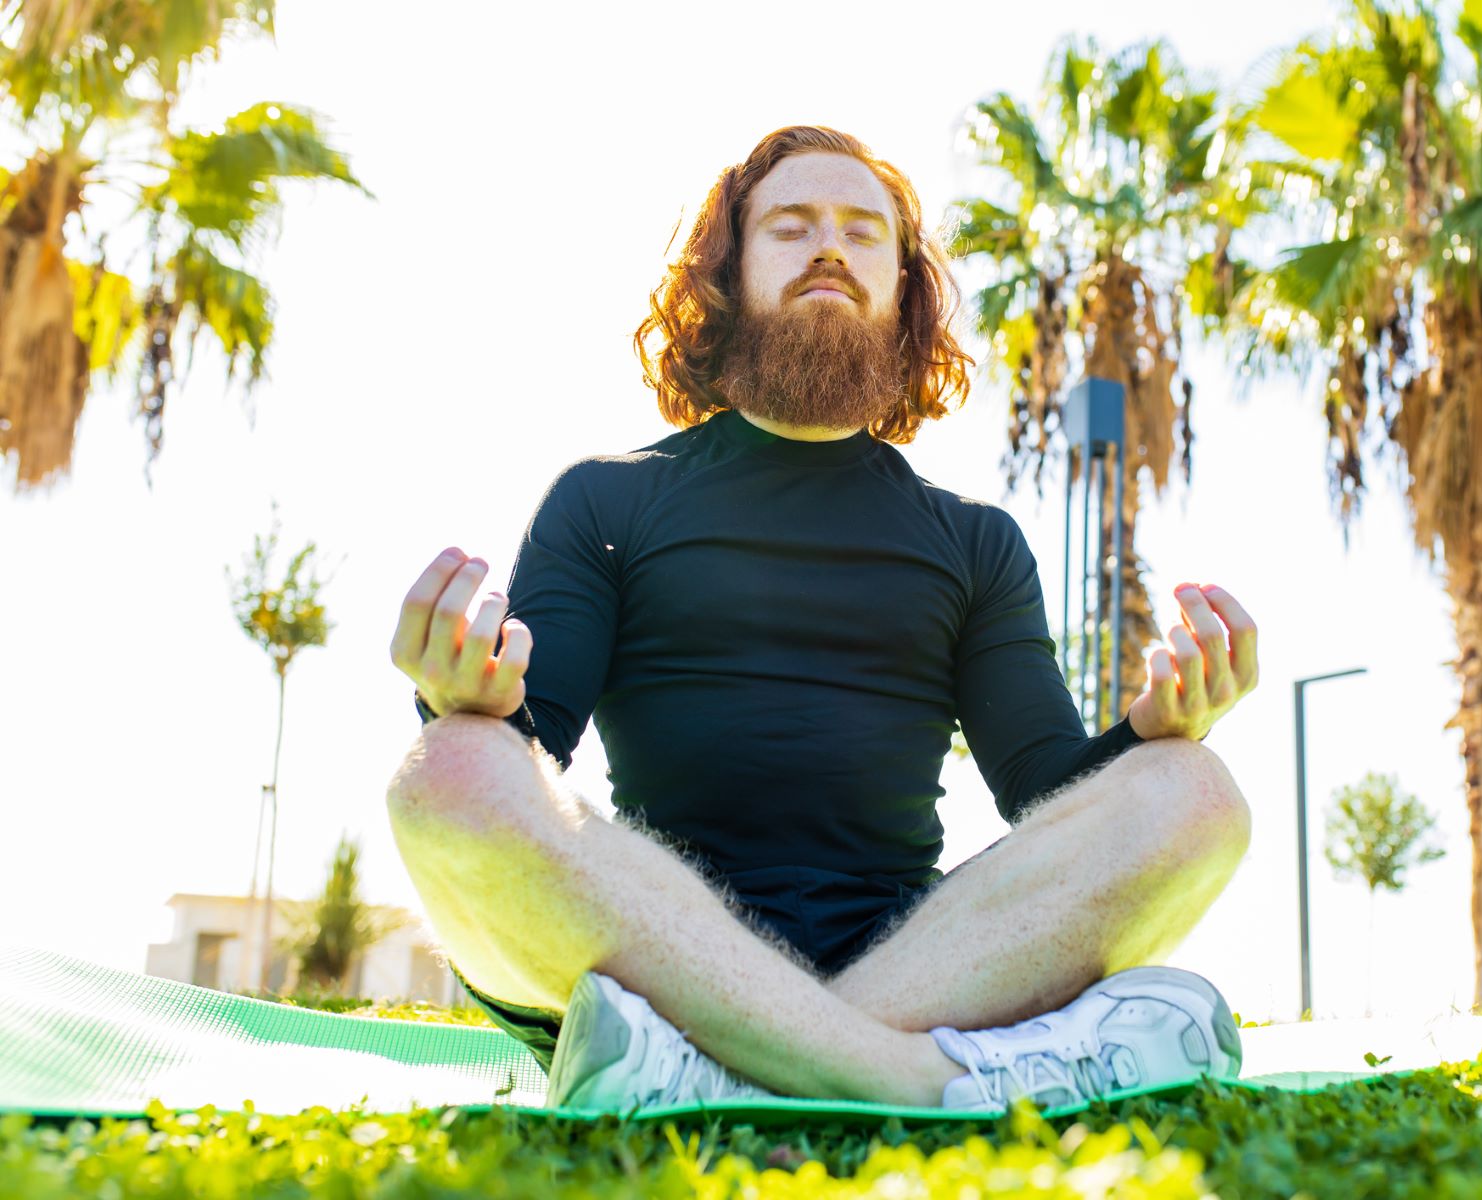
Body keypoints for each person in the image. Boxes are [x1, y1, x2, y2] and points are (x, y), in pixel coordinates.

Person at [385, 125, 1258, 1115]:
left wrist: (1156, 730)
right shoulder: (605, 502)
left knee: (1196, 794)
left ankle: (710, 1069)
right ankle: (920, 1079)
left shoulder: (977, 541)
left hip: (928, 959)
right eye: (791, 228)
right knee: (449, 769)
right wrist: (459, 696)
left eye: (862, 232)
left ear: (905, 291)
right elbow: (525, 750)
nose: (829, 248)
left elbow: (1048, 793)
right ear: (728, 276)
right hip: (646, 947)